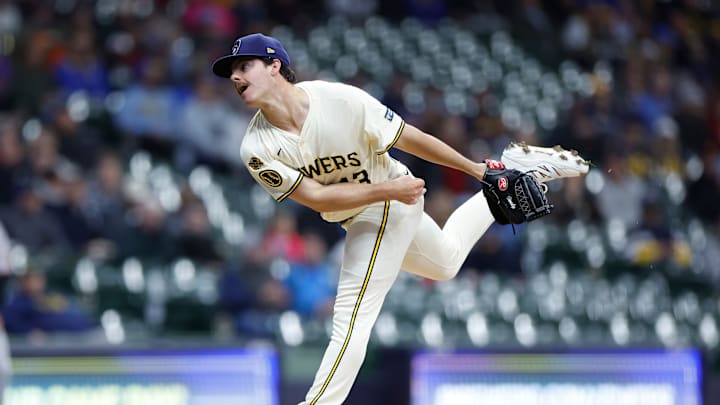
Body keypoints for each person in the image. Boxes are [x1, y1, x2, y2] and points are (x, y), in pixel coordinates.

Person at [211, 33, 589, 405]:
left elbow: (410, 137)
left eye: (245, 66)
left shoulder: (339, 99)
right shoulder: (256, 146)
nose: (236, 77)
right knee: (445, 262)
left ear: (275, 66)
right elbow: (316, 196)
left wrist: (477, 169)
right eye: (232, 72)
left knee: (351, 317)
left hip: (390, 201)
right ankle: (518, 168)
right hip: (381, 199)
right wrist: (388, 192)